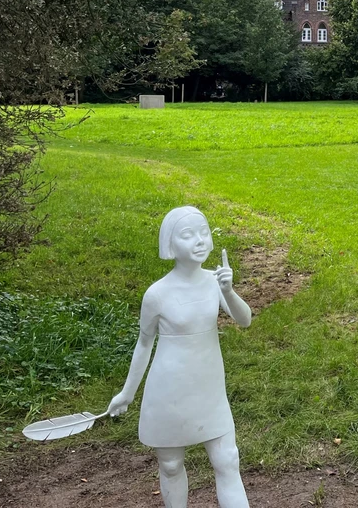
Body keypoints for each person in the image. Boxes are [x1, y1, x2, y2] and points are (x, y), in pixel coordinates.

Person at [108, 206, 253, 508]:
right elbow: (144, 343)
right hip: (169, 390)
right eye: (188, 235)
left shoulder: (215, 282)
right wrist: (127, 393)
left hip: (209, 386)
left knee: (227, 459)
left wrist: (228, 291)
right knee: (171, 465)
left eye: (204, 233)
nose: (200, 241)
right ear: (170, 245)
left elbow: (245, 320)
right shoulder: (157, 294)